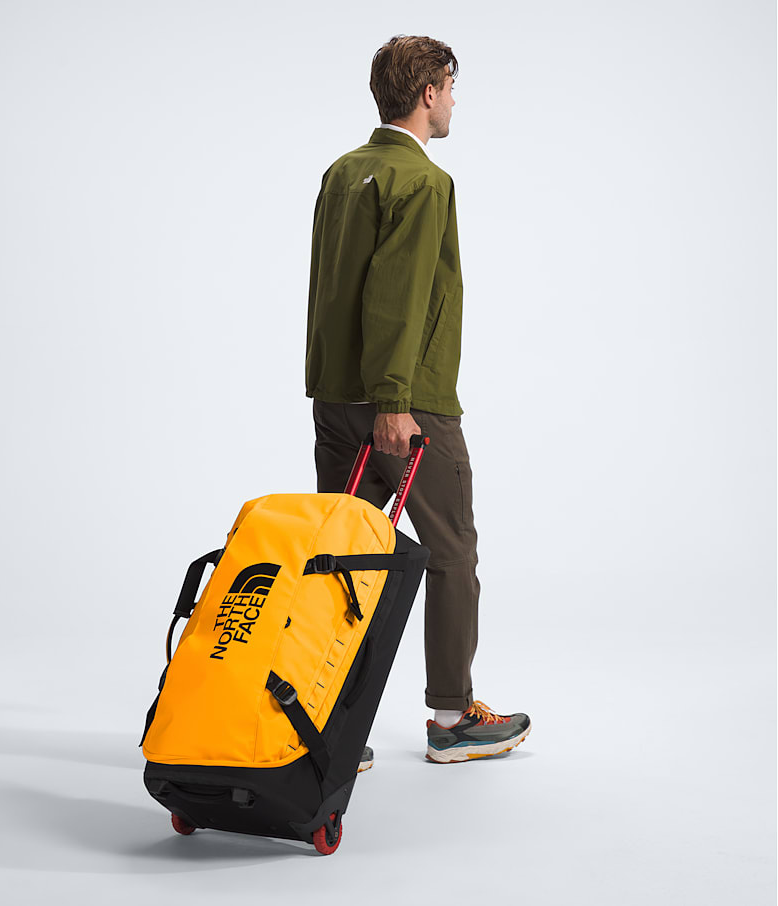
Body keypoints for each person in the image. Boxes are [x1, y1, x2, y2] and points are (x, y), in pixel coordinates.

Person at [305, 34, 531, 765]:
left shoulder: (344, 172)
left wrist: (344, 391)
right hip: (406, 405)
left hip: (335, 399)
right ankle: (452, 719)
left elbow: (329, 290)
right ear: (429, 93)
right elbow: (397, 296)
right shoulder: (424, 181)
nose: (455, 102)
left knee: (347, 558)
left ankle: (324, 727)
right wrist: (394, 400)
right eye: (451, 88)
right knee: (450, 552)